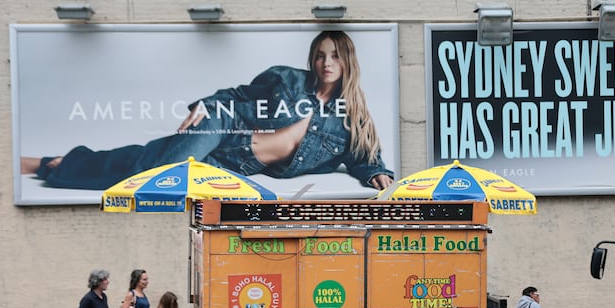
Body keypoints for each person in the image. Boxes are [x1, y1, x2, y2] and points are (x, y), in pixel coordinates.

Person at [20, 30, 394, 190]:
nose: (326, 62)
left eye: (334, 56)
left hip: (237, 163)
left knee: (145, 159)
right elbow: (235, 94)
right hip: (223, 128)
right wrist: (205, 105)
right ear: (311, 59)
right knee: (159, 176)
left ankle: (53, 162)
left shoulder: (351, 120)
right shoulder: (287, 80)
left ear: (347, 61)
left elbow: (363, 159)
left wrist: (376, 173)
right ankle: (53, 167)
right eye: (319, 54)